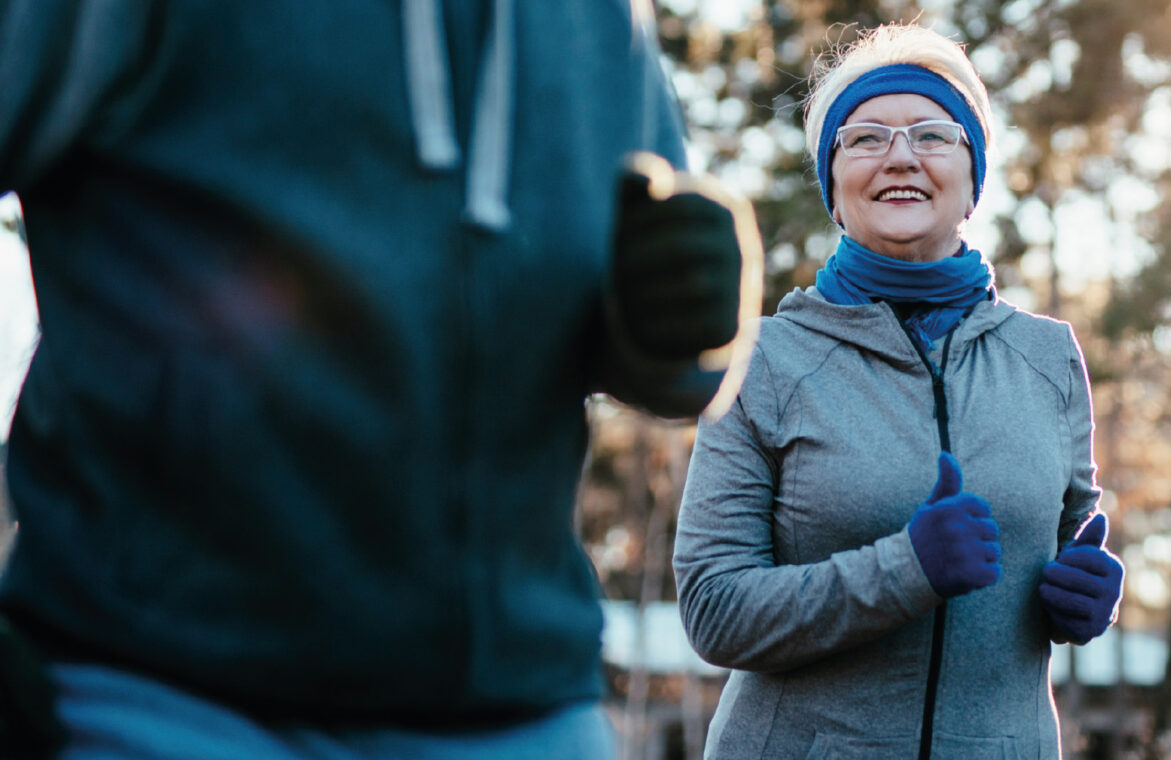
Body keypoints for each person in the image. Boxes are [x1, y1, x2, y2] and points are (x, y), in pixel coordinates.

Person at [0, 1, 744, 758]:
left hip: (524, 708)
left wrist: (673, 326)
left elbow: (644, 337)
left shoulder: (603, 16)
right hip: (155, 696)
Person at [673, 23, 1124, 759]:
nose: (902, 156)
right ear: (834, 184)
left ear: (972, 174)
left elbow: (1073, 532)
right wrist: (905, 569)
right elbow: (714, 611)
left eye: (933, 134)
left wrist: (1085, 595)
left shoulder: (1048, 357)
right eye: (867, 137)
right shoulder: (762, 361)